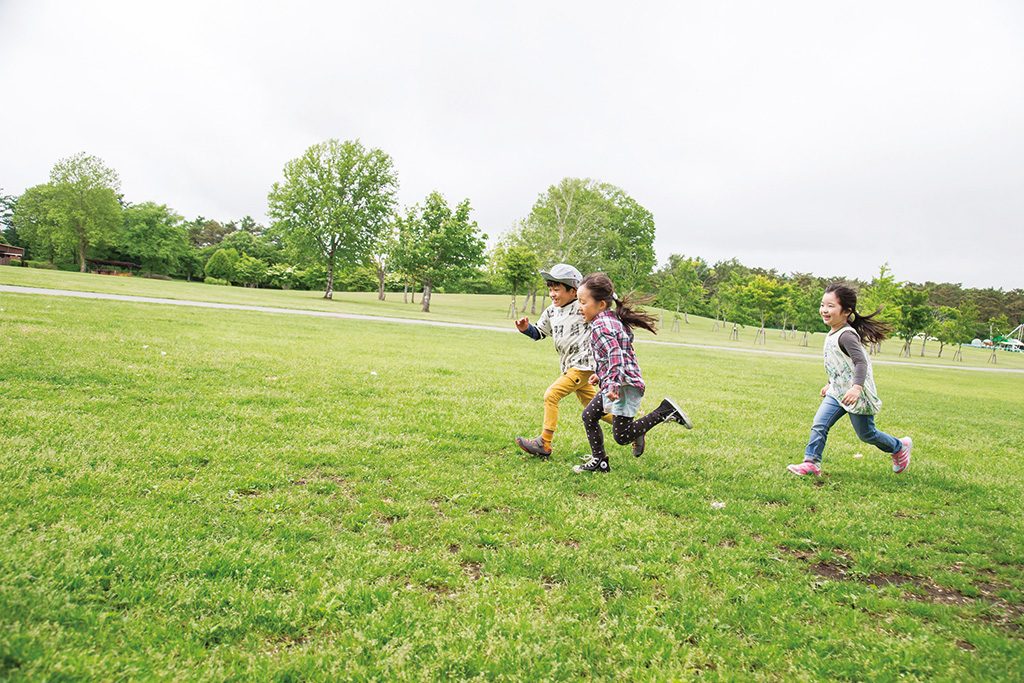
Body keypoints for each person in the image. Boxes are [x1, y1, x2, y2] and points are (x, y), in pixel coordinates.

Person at [787, 283, 912, 477]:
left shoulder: (846, 335)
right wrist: (831, 383)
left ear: (846, 311)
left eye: (830, 306)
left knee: (867, 435)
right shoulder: (833, 332)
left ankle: (899, 447)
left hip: (856, 394)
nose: (824, 310)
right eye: (822, 305)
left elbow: (860, 363)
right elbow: (840, 364)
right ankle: (811, 463)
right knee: (820, 424)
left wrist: (856, 388)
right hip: (837, 392)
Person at [574, 272, 692, 473]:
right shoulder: (612, 320)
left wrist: (611, 384)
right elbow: (617, 354)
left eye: (583, 302)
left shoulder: (600, 325)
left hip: (623, 386)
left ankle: (665, 411)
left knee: (621, 436)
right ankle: (600, 461)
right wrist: (601, 375)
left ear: (601, 304)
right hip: (620, 382)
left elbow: (615, 355)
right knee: (589, 416)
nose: (579, 307)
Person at [514, 263, 628, 458]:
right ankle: (632, 430)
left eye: (557, 289)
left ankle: (545, 443)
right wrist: (526, 329)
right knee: (593, 407)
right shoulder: (551, 311)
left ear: (573, 291)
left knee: (551, 395)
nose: (552, 294)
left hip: (584, 366)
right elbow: (540, 332)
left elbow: (602, 308)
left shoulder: (582, 307)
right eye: (550, 289)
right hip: (569, 366)